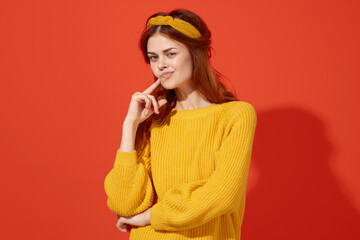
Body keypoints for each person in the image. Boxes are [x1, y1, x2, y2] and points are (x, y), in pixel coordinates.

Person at [104, 9, 257, 240]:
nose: (161, 65)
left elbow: (220, 197)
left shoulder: (236, 115)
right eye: (154, 57)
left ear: (196, 53)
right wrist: (130, 125)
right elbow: (124, 203)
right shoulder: (154, 121)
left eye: (170, 53)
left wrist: (149, 216)